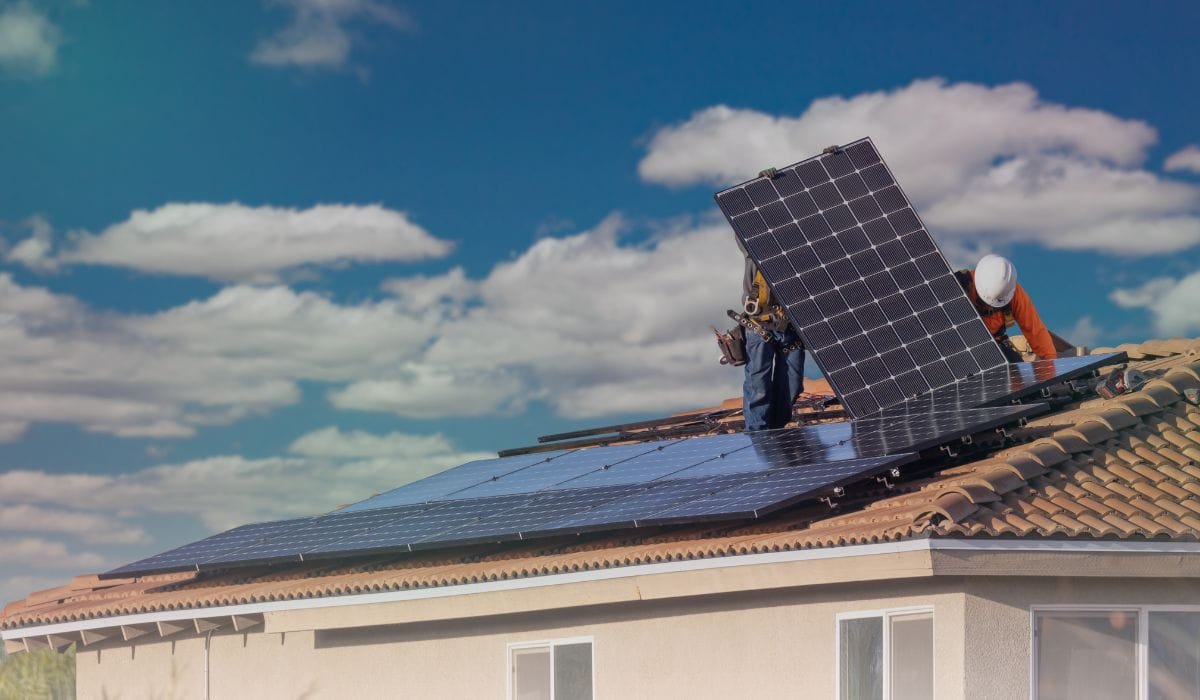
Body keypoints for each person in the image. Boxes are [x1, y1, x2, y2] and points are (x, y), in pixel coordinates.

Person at [740, 254, 805, 431]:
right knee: (759, 384)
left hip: (790, 328)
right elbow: (744, 232)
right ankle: (757, 432)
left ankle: (776, 430)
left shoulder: (798, 250)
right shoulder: (752, 250)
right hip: (759, 326)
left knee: (793, 383)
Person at [957, 254, 1056, 362]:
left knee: (1016, 372)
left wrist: (1051, 365)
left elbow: (1034, 330)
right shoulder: (956, 287)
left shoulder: (1012, 292)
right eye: (985, 301)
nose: (989, 307)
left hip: (995, 347)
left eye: (995, 304)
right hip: (959, 348)